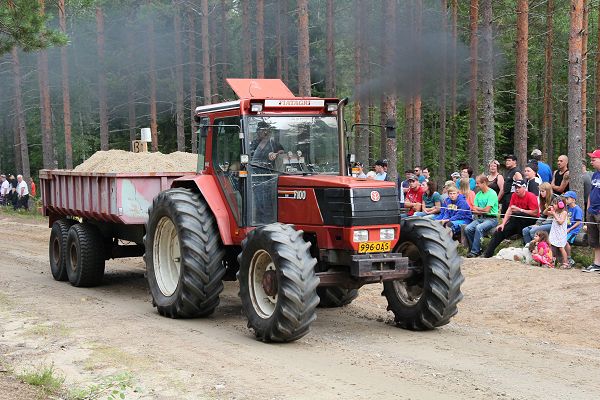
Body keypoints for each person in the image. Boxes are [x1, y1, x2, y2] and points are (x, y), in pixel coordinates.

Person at [482, 179, 538, 258]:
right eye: (516, 187)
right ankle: (487, 254)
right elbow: (509, 209)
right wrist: (503, 224)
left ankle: (518, 234)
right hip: (516, 220)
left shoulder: (531, 196)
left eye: (519, 187)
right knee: (499, 232)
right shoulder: (514, 195)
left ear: (524, 188)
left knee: (516, 215)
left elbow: (535, 213)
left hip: (529, 220)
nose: (517, 189)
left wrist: (519, 210)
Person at [465, 175, 499, 258]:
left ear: (484, 183)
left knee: (479, 228)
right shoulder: (478, 194)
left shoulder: (492, 193)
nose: (476, 185)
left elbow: (487, 210)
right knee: (468, 229)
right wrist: (481, 209)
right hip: (481, 218)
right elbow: (473, 208)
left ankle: (475, 252)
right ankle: (474, 248)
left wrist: (479, 209)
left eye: (478, 183)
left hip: (492, 219)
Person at [584, 149, 600, 272]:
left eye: (594, 159)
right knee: (594, 240)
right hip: (592, 211)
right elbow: (591, 193)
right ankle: (597, 264)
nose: (591, 162)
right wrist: (588, 209)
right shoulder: (594, 174)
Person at [563, 191, 583, 267]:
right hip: (565, 230)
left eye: (567, 198)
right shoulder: (567, 208)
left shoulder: (577, 209)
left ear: (573, 200)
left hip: (573, 231)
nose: (565, 199)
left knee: (566, 242)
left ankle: (569, 258)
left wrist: (569, 229)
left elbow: (578, 222)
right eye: (565, 198)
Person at [548, 196, 569, 269]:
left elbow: (560, 222)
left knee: (561, 247)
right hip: (554, 232)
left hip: (561, 233)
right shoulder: (555, 212)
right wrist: (548, 208)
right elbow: (545, 213)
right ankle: (552, 262)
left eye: (554, 203)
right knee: (552, 246)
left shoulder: (564, 212)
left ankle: (566, 263)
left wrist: (554, 214)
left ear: (560, 205)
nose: (553, 205)